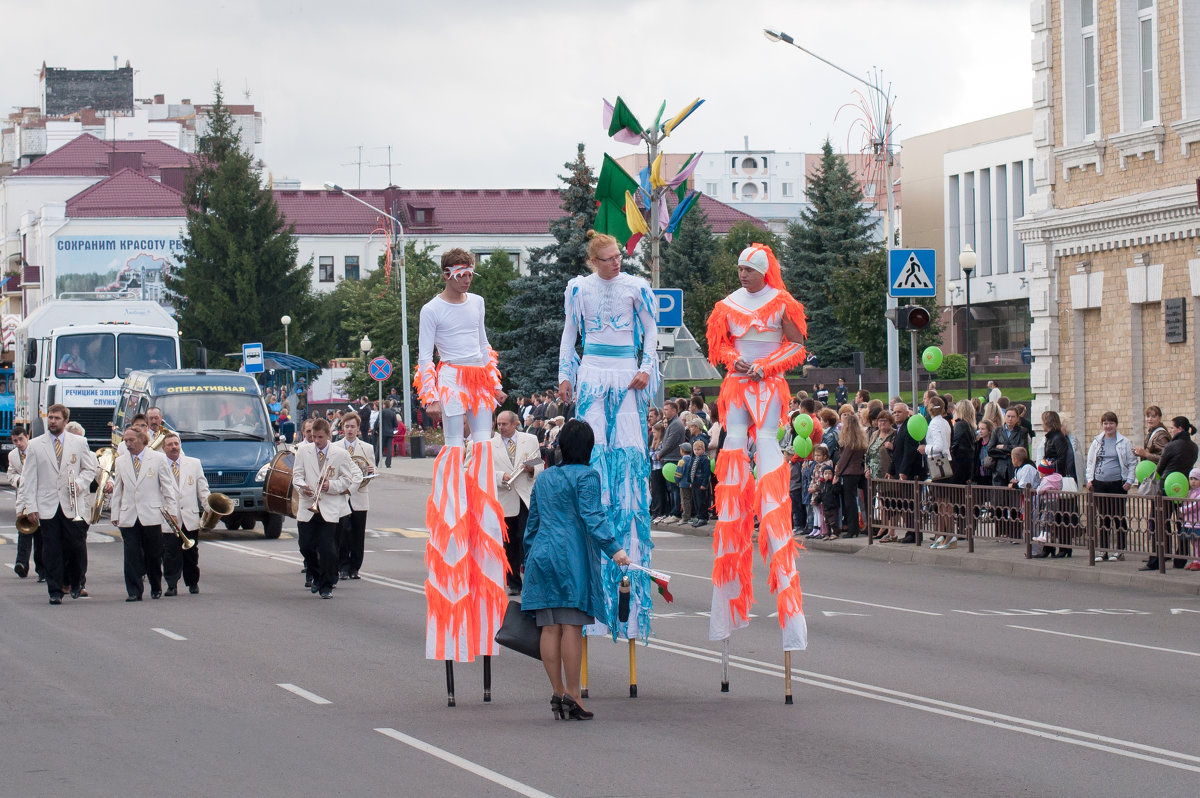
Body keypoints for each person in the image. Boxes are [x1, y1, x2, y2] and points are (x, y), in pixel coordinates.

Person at [705, 242, 808, 655]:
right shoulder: (726, 304)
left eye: (748, 269)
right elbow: (721, 344)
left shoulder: (782, 302)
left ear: (763, 270)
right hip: (738, 387)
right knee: (733, 449)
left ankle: (773, 509)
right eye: (739, 268)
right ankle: (733, 510)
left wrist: (765, 366)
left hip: (768, 387)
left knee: (766, 447)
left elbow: (798, 346)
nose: (742, 274)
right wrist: (736, 360)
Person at [557, 231, 658, 642]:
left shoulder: (637, 286)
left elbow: (651, 331)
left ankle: (630, 546)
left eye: (619, 256)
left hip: (627, 374)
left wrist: (647, 367)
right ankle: (593, 518)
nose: (617, 262)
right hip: (593, 374)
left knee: (630, 458)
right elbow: (570, 333)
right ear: (593, 260)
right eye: (609, 258)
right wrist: (566, 375)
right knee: (593, 455)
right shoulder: (578, 289)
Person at [417, 248, 508, 662]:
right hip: (452, 375)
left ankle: (484, 497)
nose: (468, 279)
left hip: (477, 377)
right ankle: (456, 498)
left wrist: (492, 379)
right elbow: (424, 358)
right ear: (447, 274)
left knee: (484, 441)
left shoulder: (478, 303)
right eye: (460, 273)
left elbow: (484, 341)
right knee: (456, 443)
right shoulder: (430, 310)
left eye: (471, 272)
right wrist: (432, 395)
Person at [521, 419, 630, 721]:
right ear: (588, 448)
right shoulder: (587, 476)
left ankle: (557, 692)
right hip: (571, 556)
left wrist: (527, 558)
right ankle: (574, 695)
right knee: (571, 625)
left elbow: (533, 522)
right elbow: (592, 516)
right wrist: (615, 549)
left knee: (549, 626)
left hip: (542, 554)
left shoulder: (544, 478)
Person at [16, 405, 97, 604]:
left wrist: (79, 484)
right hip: (47, 505)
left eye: (56, 418)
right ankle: (54, 590)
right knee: (51, 549)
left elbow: (89, 469)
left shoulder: (79, 442)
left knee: (75, 546)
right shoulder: (35, 445)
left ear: (65, 420)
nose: (52, 421)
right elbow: (28, 478)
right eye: (50, 418)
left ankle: (75, 582)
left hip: (72, 504)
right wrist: (30, 507)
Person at [293, 418, 362, 598]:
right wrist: (303, 487)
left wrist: (330, 486)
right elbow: (297, 476)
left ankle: (326, 585)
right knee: (305, 546)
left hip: (330, 507)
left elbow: (347, 479)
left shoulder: (340, 454)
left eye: (320, 437)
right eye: (314, 437)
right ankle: (316, 575)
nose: (316, 441)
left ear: (328, 435)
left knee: (328, 549)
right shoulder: (303, 451)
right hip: (309, 505)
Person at [110, 426, 178, 602]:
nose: (128, 443)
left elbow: (167, 487)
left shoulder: (158, 459)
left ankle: (156, 586)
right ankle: (134, 591)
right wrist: (115, 513)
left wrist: (171, 512)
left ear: (142, 440)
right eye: (126, 440)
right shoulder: (121, 461)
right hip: (129, 514)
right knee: (131, 554)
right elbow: (118, 489)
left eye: (131, 440)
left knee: (153, 554)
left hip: (151, 514)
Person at [492, 410, 543, 594]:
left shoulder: (529, 440)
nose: (501, 428)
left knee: (526, 539)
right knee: (509, 543)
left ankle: (531, 581)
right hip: (505, 498)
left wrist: (531, 469)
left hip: (525, 497)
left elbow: (540, 465)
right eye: (499, 424)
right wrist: (500, 477)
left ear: (515, 424)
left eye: (505, 424)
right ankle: (513, 583)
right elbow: (484, 470)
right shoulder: (491, 445)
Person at [1144, 416, 1199, 571]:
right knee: (1182, 523)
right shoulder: (1194, 447)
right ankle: (1180, 559)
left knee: (1159, 523)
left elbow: (1160, 468)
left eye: (1173, 427)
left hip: (1166, 489)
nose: (1171, 430)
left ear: (1180, 429)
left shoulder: (1172, 445)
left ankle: (1157, 559)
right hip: (1183, 488)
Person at [160, 432, 208, 595]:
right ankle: (171, 585)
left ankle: (192, 583)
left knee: (191, 555)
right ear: (163, 448)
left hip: (189, 516)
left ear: (180, 445)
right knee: (170, 554)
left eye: (176, 444)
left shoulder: (194, 463)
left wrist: (209, 507)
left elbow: (202, 489)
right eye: (170, 444)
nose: (174, 447)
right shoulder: (160, 464)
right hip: (170, 519)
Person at [1085, 411, 1135, 562]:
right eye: (1105, 423)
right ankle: (1103, 550)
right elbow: (1090, 462)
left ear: (1116, 425)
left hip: (1117, 484)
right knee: (1104, 517)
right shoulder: (1097, 441)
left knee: (1118, 517)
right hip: (1100, 483)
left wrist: (1129, 481)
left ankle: (1120, 550)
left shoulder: (1124, 442)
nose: (1108, 426)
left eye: (1111, 423)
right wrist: (1089, 479)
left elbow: (1132, 463)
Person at [336, 412, 374, 580]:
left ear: (358, 428)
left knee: (358, 534)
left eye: (353, 427)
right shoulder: (335, 447)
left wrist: (372, 472)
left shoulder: (367, 448)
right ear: (342, 428)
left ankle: (355, 567)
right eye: (347, 426)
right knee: (342, 533)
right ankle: (343, 566)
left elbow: (370, 470)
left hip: (359, 496)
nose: (350, 430)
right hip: (342, 496)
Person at [8, 425, 43, 581]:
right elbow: (11, 474)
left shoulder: (36, 451)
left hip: (38, 498)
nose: (19, 443)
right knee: (24, 531)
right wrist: (19, 480)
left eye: (21, 439)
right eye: (15, 441)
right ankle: (21, 564)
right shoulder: (12, 456)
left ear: (27, 436)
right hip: (23, 498)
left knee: (40, 537)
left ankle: (42, 569)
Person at [832, 413, 867, 537]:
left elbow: (844, 459)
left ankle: (853, 529)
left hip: (849, 472)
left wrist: (837, 473)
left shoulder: (849, 442)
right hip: (858, 471)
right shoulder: (860, 438)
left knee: (850, 501)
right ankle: (857, 528)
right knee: (857, 501)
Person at [658, 402, 686, 523]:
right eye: (664, 409)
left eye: (667, 409)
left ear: (674, 410)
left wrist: (660, 453)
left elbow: (670, 443)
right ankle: (672, 511)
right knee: (671, 489)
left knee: (674, 488)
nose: (665, 411)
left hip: (673, 459)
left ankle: (676, 513)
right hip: (669, 458)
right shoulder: (672, 423)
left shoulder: (676, 424)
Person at [1181, 469, 1200, 571]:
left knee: (1198, 542)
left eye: (1196, 479)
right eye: (1191, 479)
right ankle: (1195, 560)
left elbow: (1194, 505)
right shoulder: (1189, 492)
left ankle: (1198, 561)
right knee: (1194, 542)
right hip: (1190, 523)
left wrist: (1182, 510)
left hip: (1197, 523)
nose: (1193, 481)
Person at [379, 399, 400, 466]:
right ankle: (388, 463)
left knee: (380, 448)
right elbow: (396, 424)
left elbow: (378, 422)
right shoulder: (393, 413)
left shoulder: (382, 412)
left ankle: (376, 462)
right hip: (390, 432)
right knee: (389, 448)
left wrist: (376, 429)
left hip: (383, 432)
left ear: (384, 405)